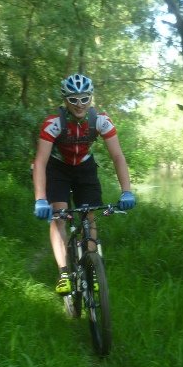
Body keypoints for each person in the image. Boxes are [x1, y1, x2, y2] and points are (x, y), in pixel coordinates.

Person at [32, 73, 136, 295]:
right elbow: (40, 162)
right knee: (59, 215)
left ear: (91, 98)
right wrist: (40, 198)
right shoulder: (53, 124)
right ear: (65, 100)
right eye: (73, 99)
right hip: (57, 168)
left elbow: (118, 157)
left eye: (84, 98)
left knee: (89, 215)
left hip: (84, 168)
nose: (79, 105)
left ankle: (91, 268)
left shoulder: (100, 121)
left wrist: (127, 191)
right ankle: (63, 274)